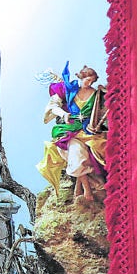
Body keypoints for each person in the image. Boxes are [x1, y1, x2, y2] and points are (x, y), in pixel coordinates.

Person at [39, 64, 107, 205]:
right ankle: (87, 190)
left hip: (88, 132)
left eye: (92, 81)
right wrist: (64, 114)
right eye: (87, 80)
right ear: (81, 77)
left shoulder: (95, 94)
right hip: (70, 130)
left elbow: (102, 114)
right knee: (76, 151)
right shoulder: (69, 90)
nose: (89, 83)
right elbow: (53, 106)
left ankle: (78, 188)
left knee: (95, 150)